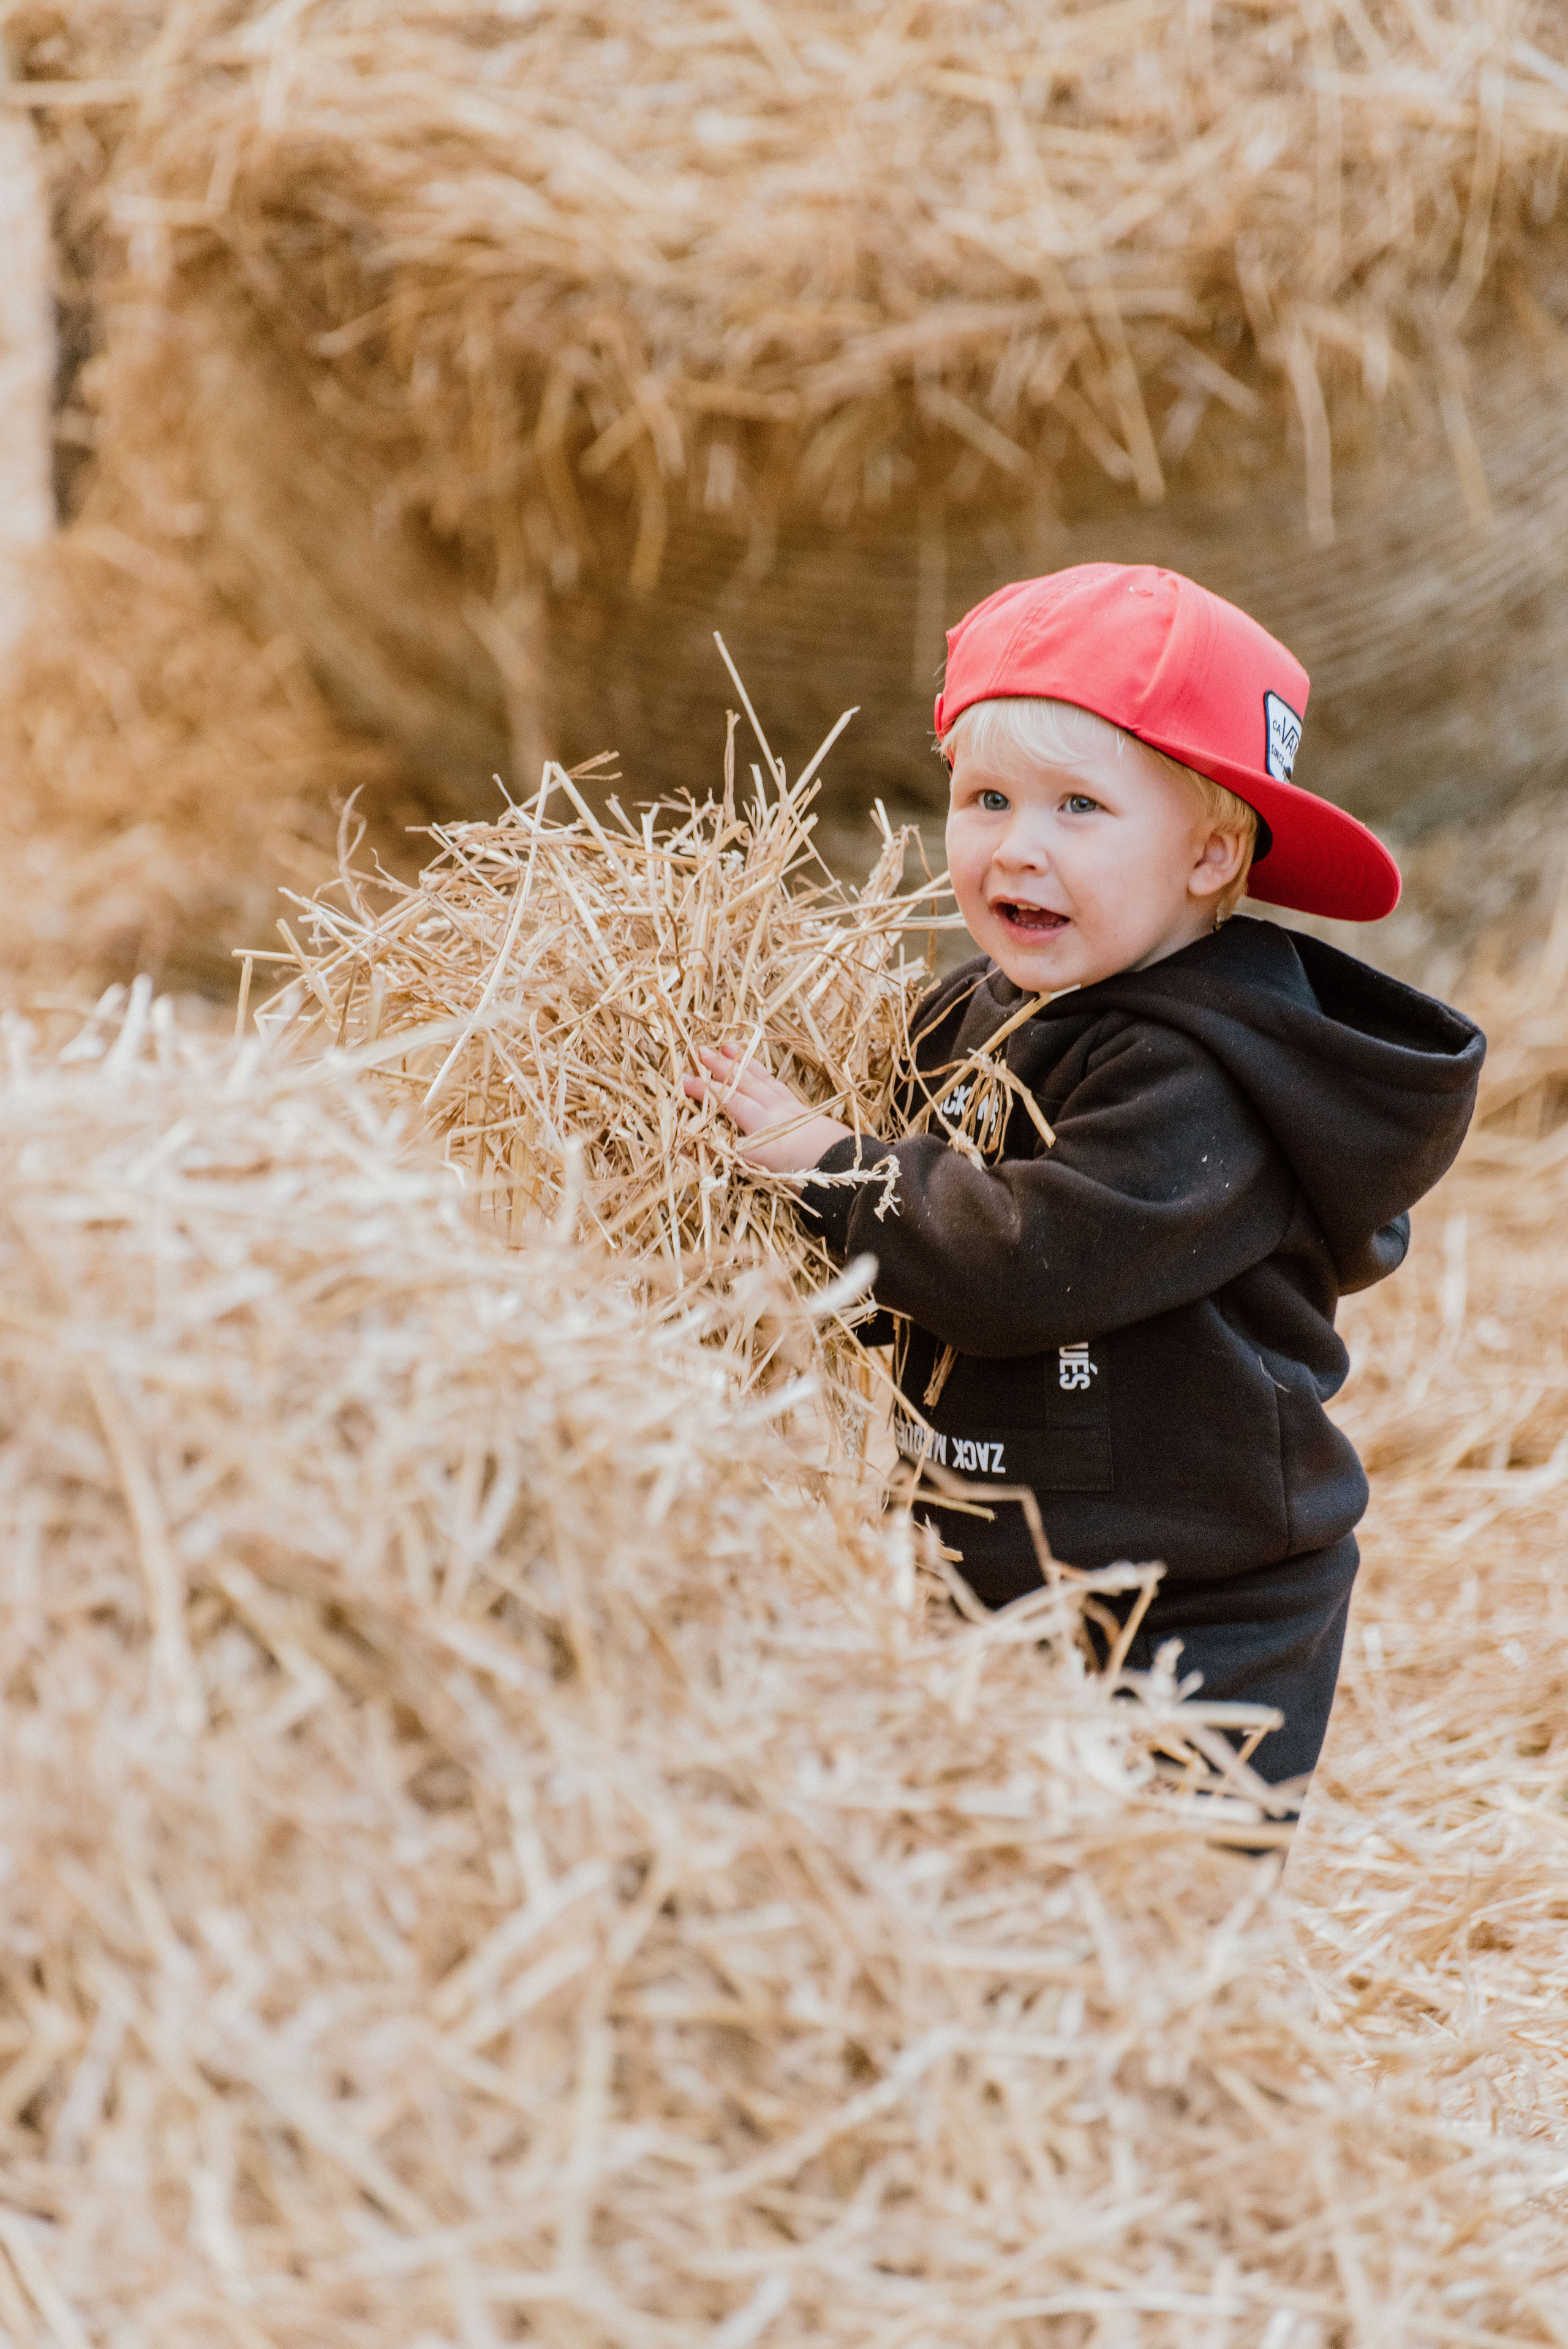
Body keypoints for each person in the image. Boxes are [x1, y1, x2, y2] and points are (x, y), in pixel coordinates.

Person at [685, 564, 1483, 1795]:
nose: (1017, 847)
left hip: (1193, 1610)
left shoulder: (1203, 1076)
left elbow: (1028, 1259)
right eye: (986, 798)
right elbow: (896, 1210)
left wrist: (830, 1167)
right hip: (985, 1563)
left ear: (1209, 853)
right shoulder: (970, 1011)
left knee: (1150, 1894)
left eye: (1077, 807)